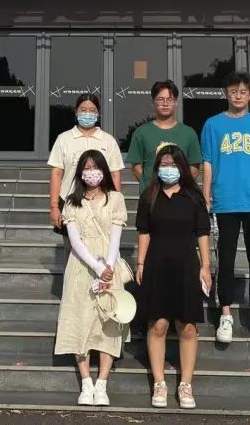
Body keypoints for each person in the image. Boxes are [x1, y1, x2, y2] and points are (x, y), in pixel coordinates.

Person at [201, 71, 250, 347]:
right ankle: (225, 314)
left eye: (243, 91)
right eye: (233, 91)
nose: (238, 96)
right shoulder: (213, 125)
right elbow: (208, 162)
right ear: (226, 93)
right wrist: (206, 194)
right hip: (225, 202)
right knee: (224, 259)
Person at [135, 144, 211, 409]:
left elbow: (202, 233)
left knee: (187, 326)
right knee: (158, 325)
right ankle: (159, 383)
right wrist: (140, 262)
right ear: (157, 168)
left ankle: (186, 384)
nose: (168, 169)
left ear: (183, 168)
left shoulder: (194, 197)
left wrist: (205, 266)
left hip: (187, 266)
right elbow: (144, 232)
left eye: (173, 165)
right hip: (156, 265)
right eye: (164, 165)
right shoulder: (149, 196)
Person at [54, 149, 129, 406]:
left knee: (108, 322)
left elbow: (116, 236)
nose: (91, 173)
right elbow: (75, 241)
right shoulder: (71, 202)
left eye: (95, 167)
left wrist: (108, 267)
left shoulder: (115, 199)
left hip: (109, 263)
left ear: (104, 170)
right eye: (86, 168)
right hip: (81, 266)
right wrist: (97, 268)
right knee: (79, 319)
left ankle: (102, 383)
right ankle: (86, 382)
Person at [48, 94, 123, 230]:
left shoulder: (108, 140)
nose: (87, 114)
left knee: (100, 242)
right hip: (69, 202)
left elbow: (115, 174)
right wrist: (54, 206)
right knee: (71, 243)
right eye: (83, 110)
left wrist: (116, 203)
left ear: (98, 113)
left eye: (92, 110)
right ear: (76, 112)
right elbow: (56, 173)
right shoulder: (64, 139)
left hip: (101, 204)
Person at [125, 79, 202, 195]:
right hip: (151, 196)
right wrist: (150, 185)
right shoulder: (141, 132)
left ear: (176, 102)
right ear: (153, 103)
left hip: (181, 197)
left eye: (170, 99)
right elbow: (136, 167)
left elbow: (194, 168)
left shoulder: (189, 133)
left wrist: (179, 188)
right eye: (160, 99)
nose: (165, 103)